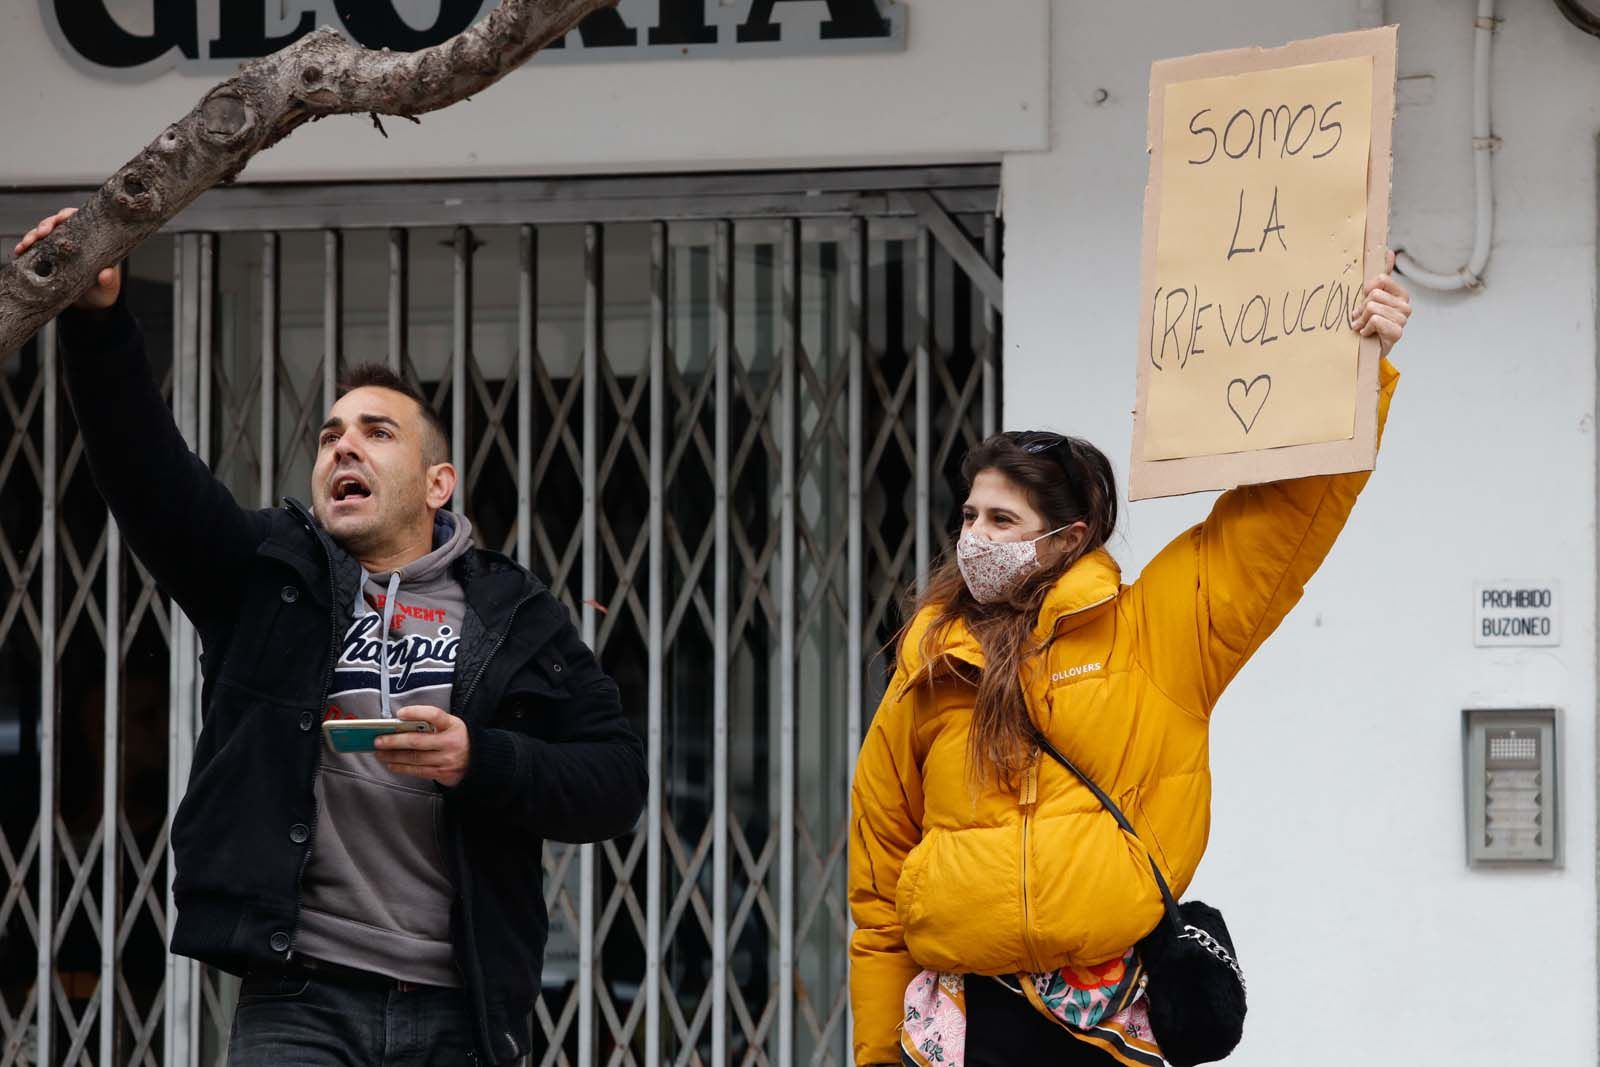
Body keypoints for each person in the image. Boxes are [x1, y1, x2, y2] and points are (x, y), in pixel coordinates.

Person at [17, 208, 647, 1067]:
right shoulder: (268, 578)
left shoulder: (514, 611)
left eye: (375, 433)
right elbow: (146, 471)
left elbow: (614, 781)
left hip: (462, 1005)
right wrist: (96, 322)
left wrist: (480, 758)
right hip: (300, 997)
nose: (343, 444)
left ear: (438, 483)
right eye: (329, 436)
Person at [847, 258, 1411, 1066]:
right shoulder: (931, 664)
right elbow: (877, 889)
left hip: (1106, 1027)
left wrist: (1361, 368)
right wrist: (875, 1057)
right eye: (969, 514)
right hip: (961, 1030)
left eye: (1003, 518)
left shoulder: (1157, 631)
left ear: (1069, 537)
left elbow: (1281, 519)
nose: (976, 535)